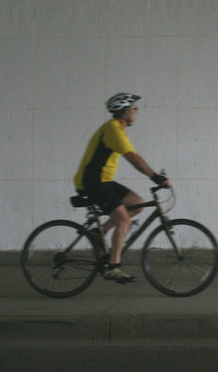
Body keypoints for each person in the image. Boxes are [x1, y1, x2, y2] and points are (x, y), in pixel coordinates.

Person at [73, 92, 170, 284]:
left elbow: (133, 157)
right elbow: (134, 158)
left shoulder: (117, 129)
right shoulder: (113, 130)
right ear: (125, 112)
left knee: (137, 204)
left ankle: (98, 232)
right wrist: (155, 177)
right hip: (92, 182)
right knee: (124, 219)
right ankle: (113, 267)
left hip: (103, 181)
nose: (136, 112)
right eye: (134, 109)